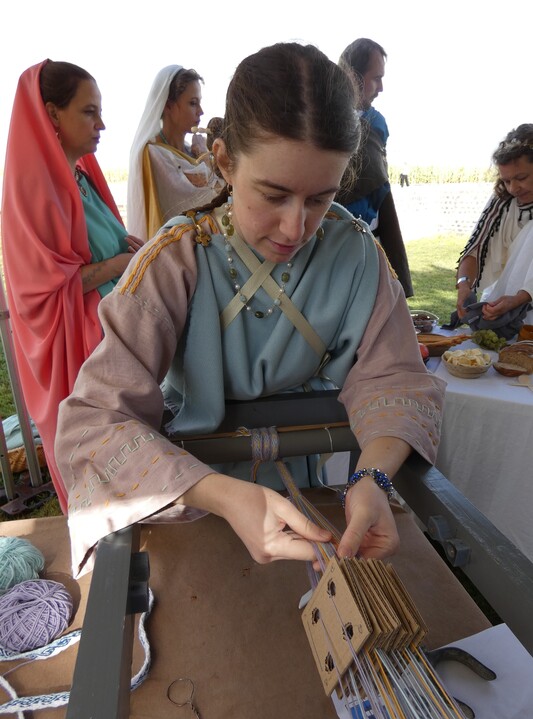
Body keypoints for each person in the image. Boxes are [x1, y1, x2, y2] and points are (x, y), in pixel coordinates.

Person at [55, 42, 445, 578]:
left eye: (319, 199)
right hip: (191, 501)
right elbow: (94, 422)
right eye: (274, 194)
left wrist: (372, 478)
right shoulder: (174, 262)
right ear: (224, 162)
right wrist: (223, 495)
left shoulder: (356, 255)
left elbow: (394, 377)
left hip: (314, 500)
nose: (294, 228)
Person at [0, 60, 144, 511]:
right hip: (79, 355)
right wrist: (122, 262)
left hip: (111, 343)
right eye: (89, 112)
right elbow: (42, 287)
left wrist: (132, 249)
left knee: (130, 465)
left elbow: (99, 244)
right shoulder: (33, 189)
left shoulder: (80, 176)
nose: (102, 124)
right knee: (100, 470)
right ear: (52, 114)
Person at [336, 38, 414, 298]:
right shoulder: (323, 119)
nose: (380, 88)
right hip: (334, 240)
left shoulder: (376, 122)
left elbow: (376, 182)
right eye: (376, 78)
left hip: (370, 241)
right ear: (353, 76)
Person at [127, 65, 225, 240]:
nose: (201, 112)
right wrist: (207, 159)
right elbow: (203, 200)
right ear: (168, 106)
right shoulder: (153, 153)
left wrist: (204, 154)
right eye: (193, 103)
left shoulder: (191, 150)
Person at [454, 124, 533, 334]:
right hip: (503, 303)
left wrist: (520, 298)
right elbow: (476, 248)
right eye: (507, 180)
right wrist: (464, 285)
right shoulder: (503, 201)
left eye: (521, 178)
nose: (513, 188)